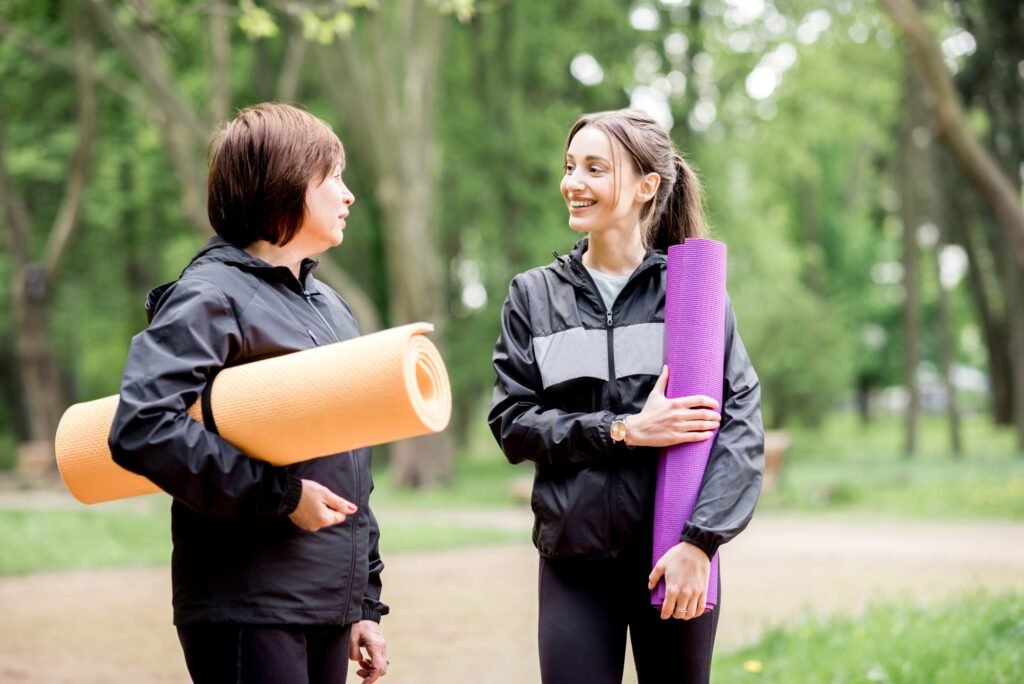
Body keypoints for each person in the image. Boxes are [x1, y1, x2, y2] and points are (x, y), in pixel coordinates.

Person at [109, 103, 389, 684]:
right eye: (333, 176)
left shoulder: (331, 307)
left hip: (326, 608)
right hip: (246, 605)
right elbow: (142, 424)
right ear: (285, 184)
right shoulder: (208, 295)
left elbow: (350, 461)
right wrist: (281, 496)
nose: (348, 194)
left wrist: (363, 603)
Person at [488, 109, 763, 684]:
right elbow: (511, 422)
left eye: (594, 168)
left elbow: (739, 424)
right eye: (569, 167)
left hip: (673, 556)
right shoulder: (533, 296)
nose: (573, 182)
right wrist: (623, 429)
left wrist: (700, 543)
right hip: (574, 565)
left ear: (646, 187)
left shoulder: (691, 296)